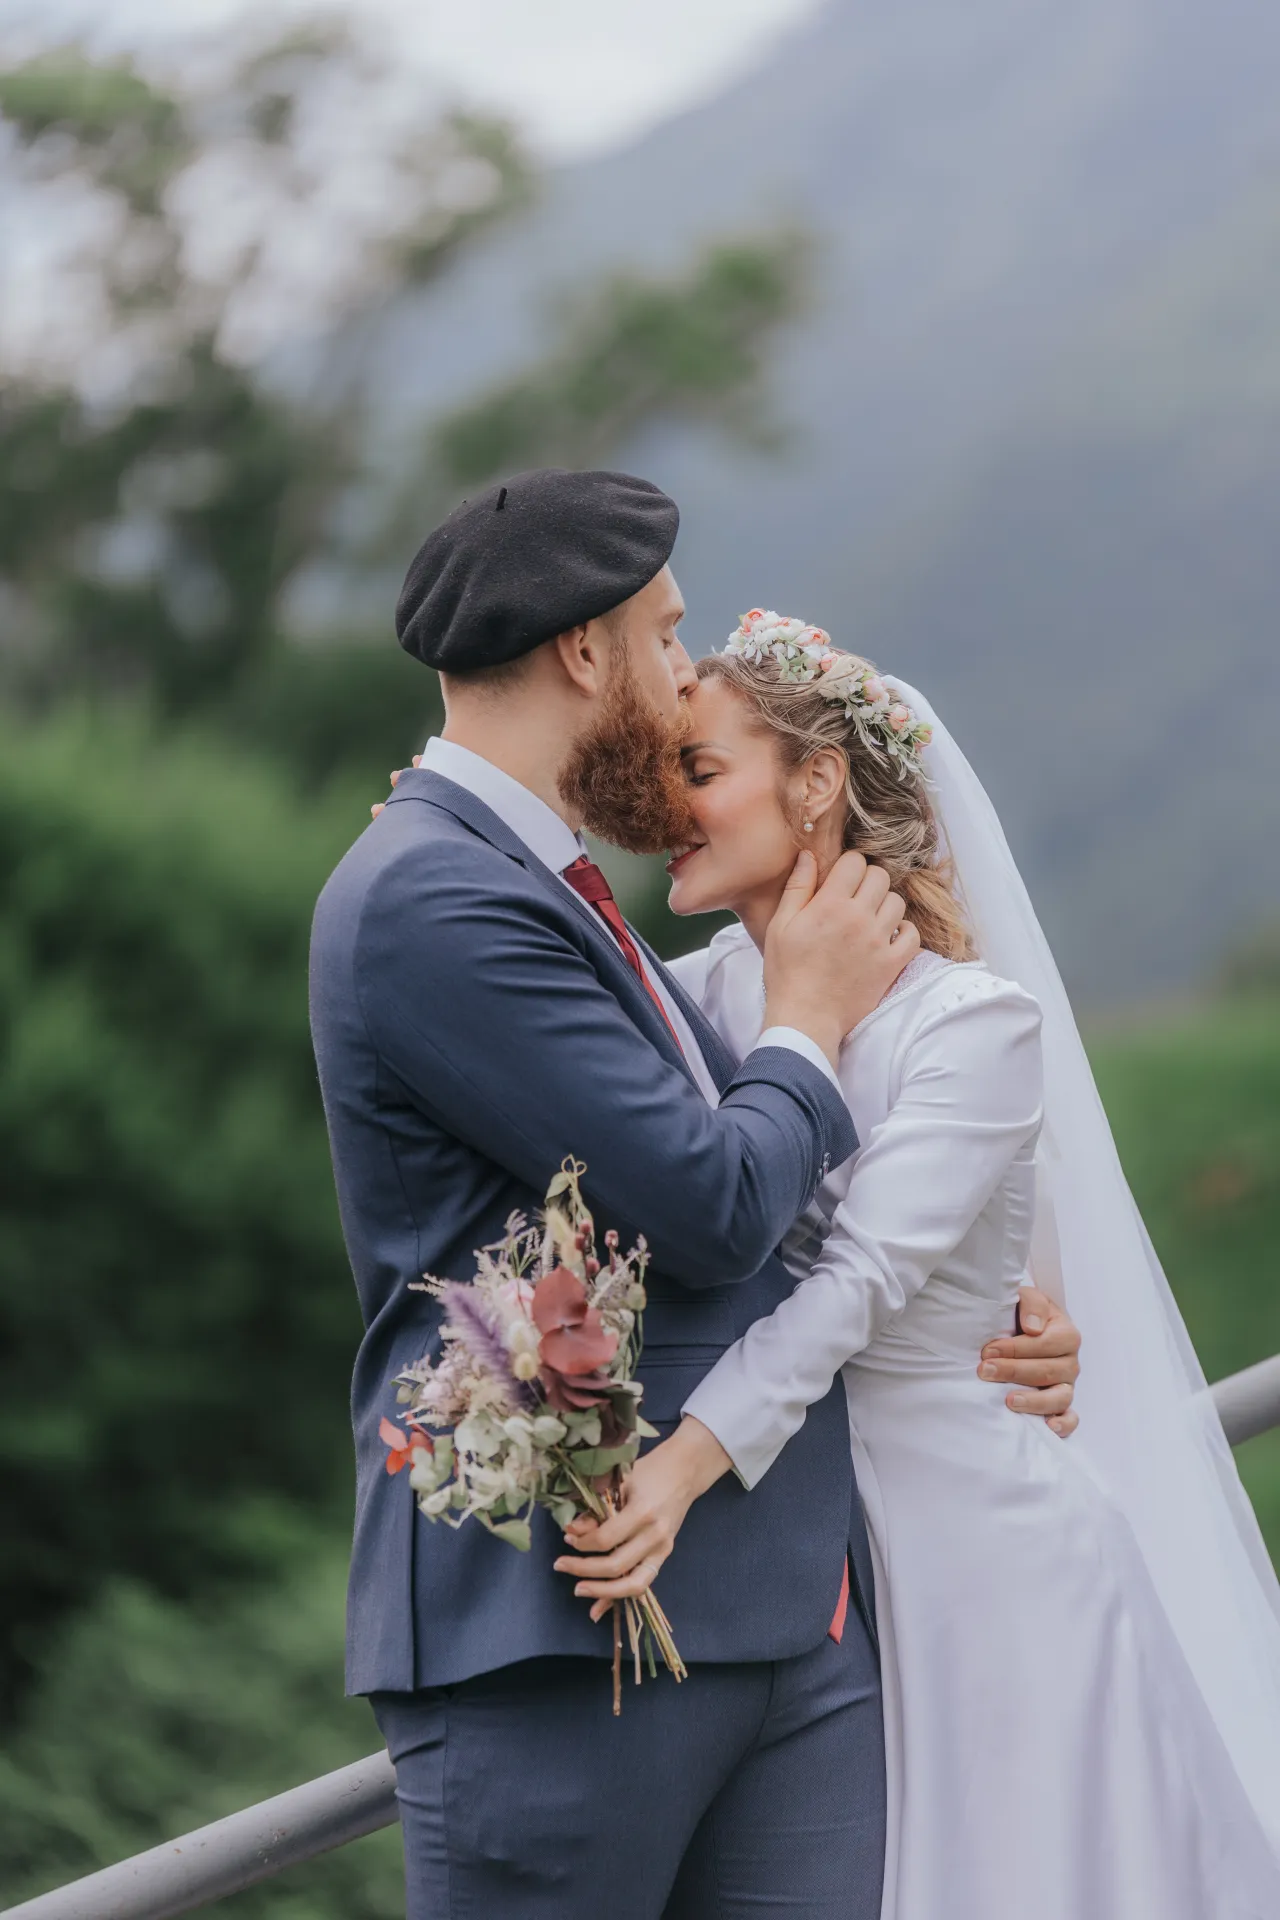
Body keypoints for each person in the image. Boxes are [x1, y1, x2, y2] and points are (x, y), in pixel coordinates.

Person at [314, 469, 1081, 1920]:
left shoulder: (546, 883)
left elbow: (814, 1207)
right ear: (584, 654)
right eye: (665, 642)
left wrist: (985, 1310)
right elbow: (715, 1198)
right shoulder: (432, 894)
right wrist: (807, 1017)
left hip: (790, 1604)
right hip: (567, 1625)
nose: (679, 692)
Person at [558, 615, 1280, 1918]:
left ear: (819, 783)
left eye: (701, 769)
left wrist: (682, 1459)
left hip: (983, 1559)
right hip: (813, 1568)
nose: (666, 806)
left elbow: (863, 1281)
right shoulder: (697, 999)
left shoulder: (974, 1023)